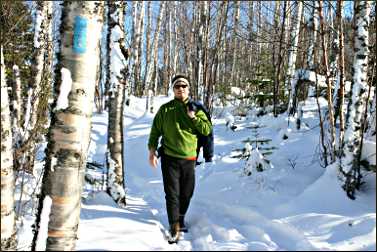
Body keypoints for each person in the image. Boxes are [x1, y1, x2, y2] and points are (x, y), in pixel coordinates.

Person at [147, 74, 212, 242]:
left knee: (187, 193)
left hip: (189, 159)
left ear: (188, 89)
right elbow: (155, 132)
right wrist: (152, 152)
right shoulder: (165, 109)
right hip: (169, 158)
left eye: (184, 86)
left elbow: (206, 130)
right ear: (173, 90)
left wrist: (193, 117)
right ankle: (174, 225)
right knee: (172, 194)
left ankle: (181, 217)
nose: (180, 89)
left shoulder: (195, 108)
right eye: (177, 86)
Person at [187, 100, 214, 164]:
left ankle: (208, 161)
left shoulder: (200, 112)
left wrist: (194, 118)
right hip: (194, 135)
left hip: (206, 134)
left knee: (207, 142)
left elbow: (207, 130)